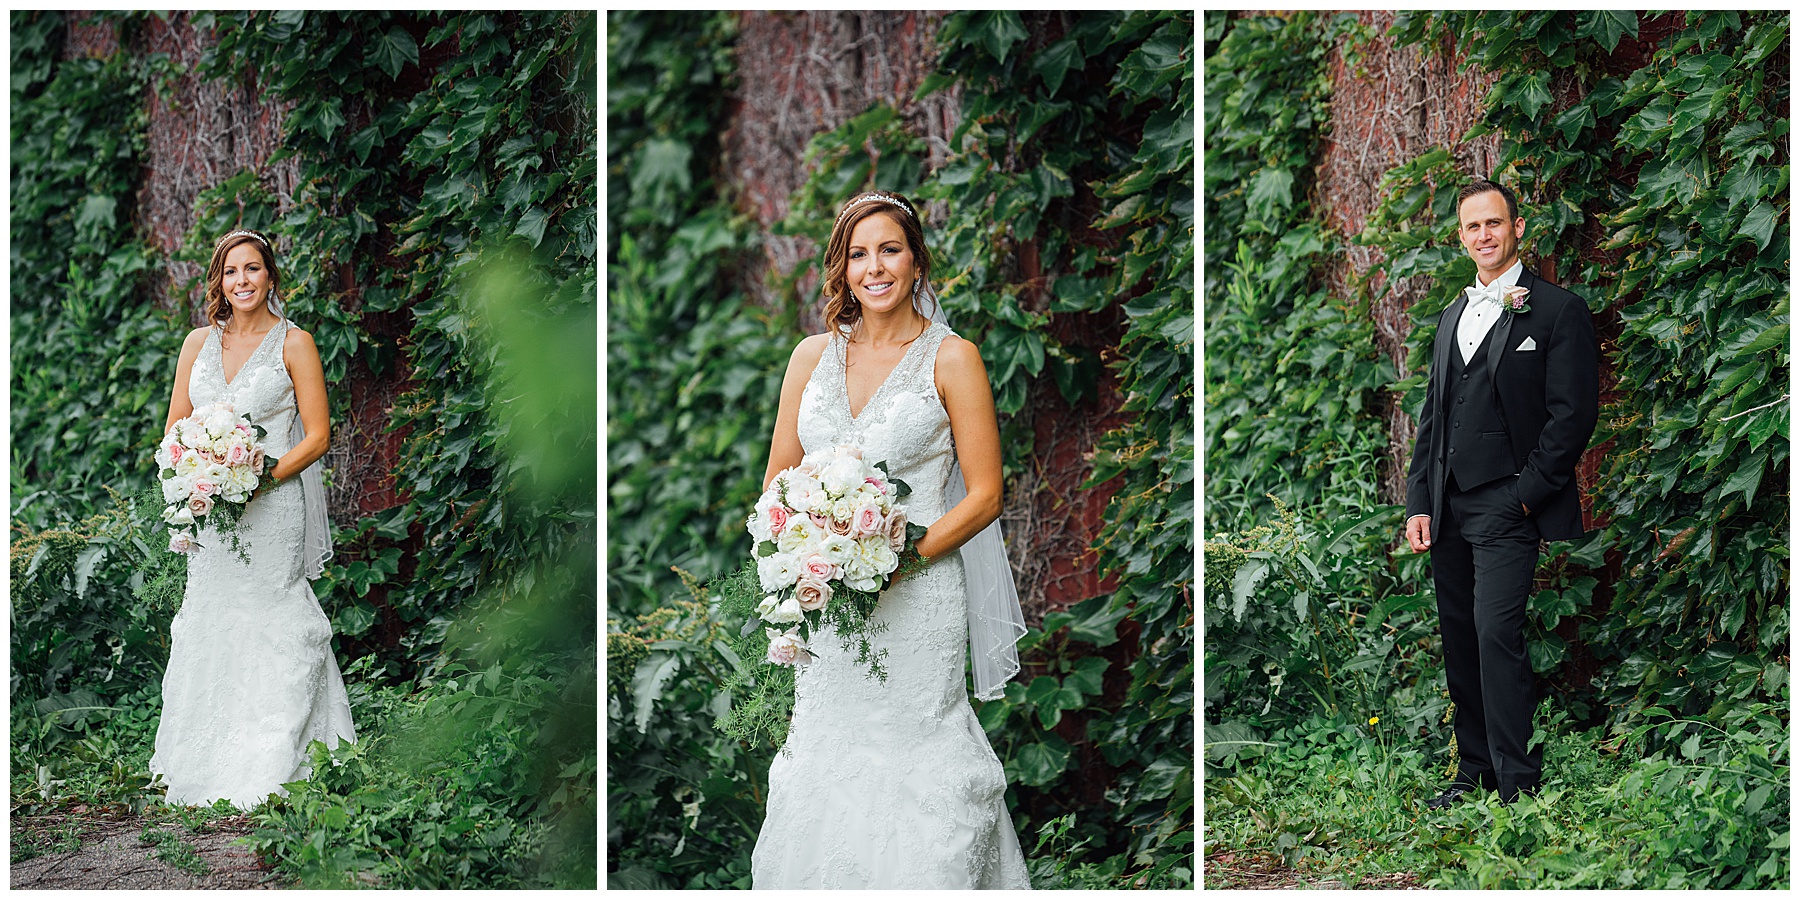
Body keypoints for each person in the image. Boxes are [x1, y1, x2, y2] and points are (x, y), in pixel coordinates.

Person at [750, 191, 1031, 888]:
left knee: (923, 762)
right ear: (841, 269)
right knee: (826, 760)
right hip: (829, 602)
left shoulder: (952, 358)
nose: (874, 267)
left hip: (919, 599)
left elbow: (987, 494)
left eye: (889, 250)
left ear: (915, 261)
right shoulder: (809, 357)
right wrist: (804, 551)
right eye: (858, 254)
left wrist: (899, 560)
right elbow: (778, 483)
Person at [1404, 180, 1599, 808]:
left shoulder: (1556, 311)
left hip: (1508, 504)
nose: (1483, 236)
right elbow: (1433, 417)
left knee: (1496, 634)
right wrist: (1418, 502)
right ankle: (1474, 772)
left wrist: (1525, 495)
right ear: (1460, 238)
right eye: (1471, 227)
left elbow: (1572, 416)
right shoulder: (1450, 317)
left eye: (1493, 224)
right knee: (1460, 637)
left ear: (1517, 228)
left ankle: (1518, 782)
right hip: (1448, 504)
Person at [149, 229, 356, 809]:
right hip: (212, 512)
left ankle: (276, 758)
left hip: (273, 508)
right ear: (218, 281)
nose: (242, 280)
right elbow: (174, 428)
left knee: (272, 617)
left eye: (253, 269)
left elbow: (317, 436)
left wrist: (260, 475)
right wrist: (195, 474)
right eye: (230, 271)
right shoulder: (196, 343)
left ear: (270, 277)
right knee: (212, 619)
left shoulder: (295, 343)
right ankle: (202, 762)